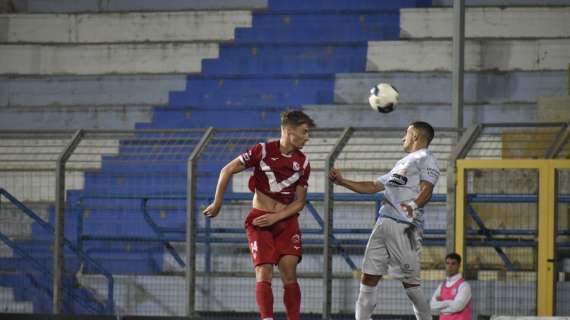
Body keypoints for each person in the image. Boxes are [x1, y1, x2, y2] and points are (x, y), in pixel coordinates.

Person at [203, 110, 316, 320]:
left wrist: (276, 216)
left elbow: (299, 202)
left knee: (289, 273)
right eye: (304, 131)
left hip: (286, 221)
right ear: (289, 131)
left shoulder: (303, 163)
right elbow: (226, 170)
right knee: (264, 271)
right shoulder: (262, 150)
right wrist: (217, 202)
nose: (307, 137)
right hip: (259, 220)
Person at [329, 121, 440, 320]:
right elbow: (372, 186)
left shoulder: (426, 159)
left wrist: (412, 206)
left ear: (415, 136)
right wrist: (342, 181)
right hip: (383, 223)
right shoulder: (403, 163)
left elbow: (427, 190)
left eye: (406, 133)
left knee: (411, 286)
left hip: (405, 228)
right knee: (368, 278)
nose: (403, 138)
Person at [430, 252, 473, 320]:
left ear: (459, 265)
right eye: (447, 263)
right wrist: (450, 302)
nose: (450, 266)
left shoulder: (464, 286)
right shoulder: (442, 286)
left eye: (453, 263)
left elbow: (458, 306)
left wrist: (440, 307)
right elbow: (432, 305)